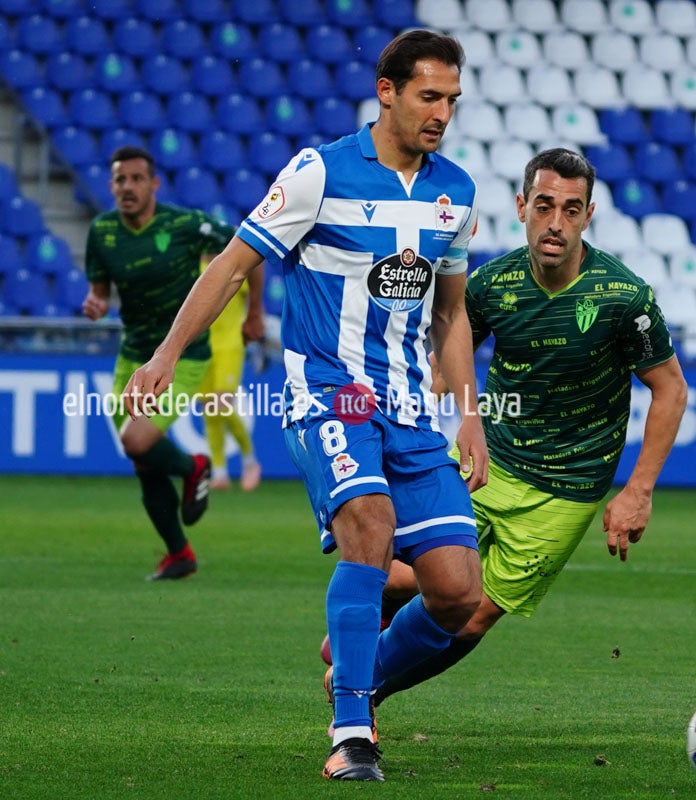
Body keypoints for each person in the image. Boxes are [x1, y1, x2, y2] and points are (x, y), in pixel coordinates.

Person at [121, 30, 488, 783]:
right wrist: (163, 355)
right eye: (428, 96)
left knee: (456, 595)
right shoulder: (321, 172)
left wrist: (470, 414)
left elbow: (451, 316)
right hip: (327, 394)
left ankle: (358, 668)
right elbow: (230, 266)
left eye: (451, 99)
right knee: (371, 526)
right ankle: (352, 729)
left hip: (412, 412)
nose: (441, 113)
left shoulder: (457, 192)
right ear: (386, 91)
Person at [350, 147, 688, 711]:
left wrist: (639, 489)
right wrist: (428, 392)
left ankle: (362, 694)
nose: (556, 223)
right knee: (403, 572)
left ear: (589, 214)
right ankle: (373, 644)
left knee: (476, 613)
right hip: (487, 462)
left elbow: (671, 388)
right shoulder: (491, 283)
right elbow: (448, 352)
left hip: (567, 489)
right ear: (521, 206)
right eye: (545, 205)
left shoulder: (623, 297)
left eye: (572, 210)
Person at [83, 146, 235, 581]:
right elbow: (100, 289)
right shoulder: (103, 232)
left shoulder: (185, 225)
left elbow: (246, 250)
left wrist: (256, 311)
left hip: (182, 356)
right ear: (111, 186)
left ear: (154, 184)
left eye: (135, 179)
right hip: (132, 357)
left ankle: (195, 467)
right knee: (143, 460)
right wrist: (95, 301)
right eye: (119, 180)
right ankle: (179, 554)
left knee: (136, 441)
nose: (127, 187)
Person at [198, 255, 265, 491]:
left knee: (221, 402)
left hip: (230, 344)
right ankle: (219, 471)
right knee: (209, 408)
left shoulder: (233, 265)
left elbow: (252, 295)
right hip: (203, 345)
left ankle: (250, 461)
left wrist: (256, 317)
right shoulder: (193, 266)